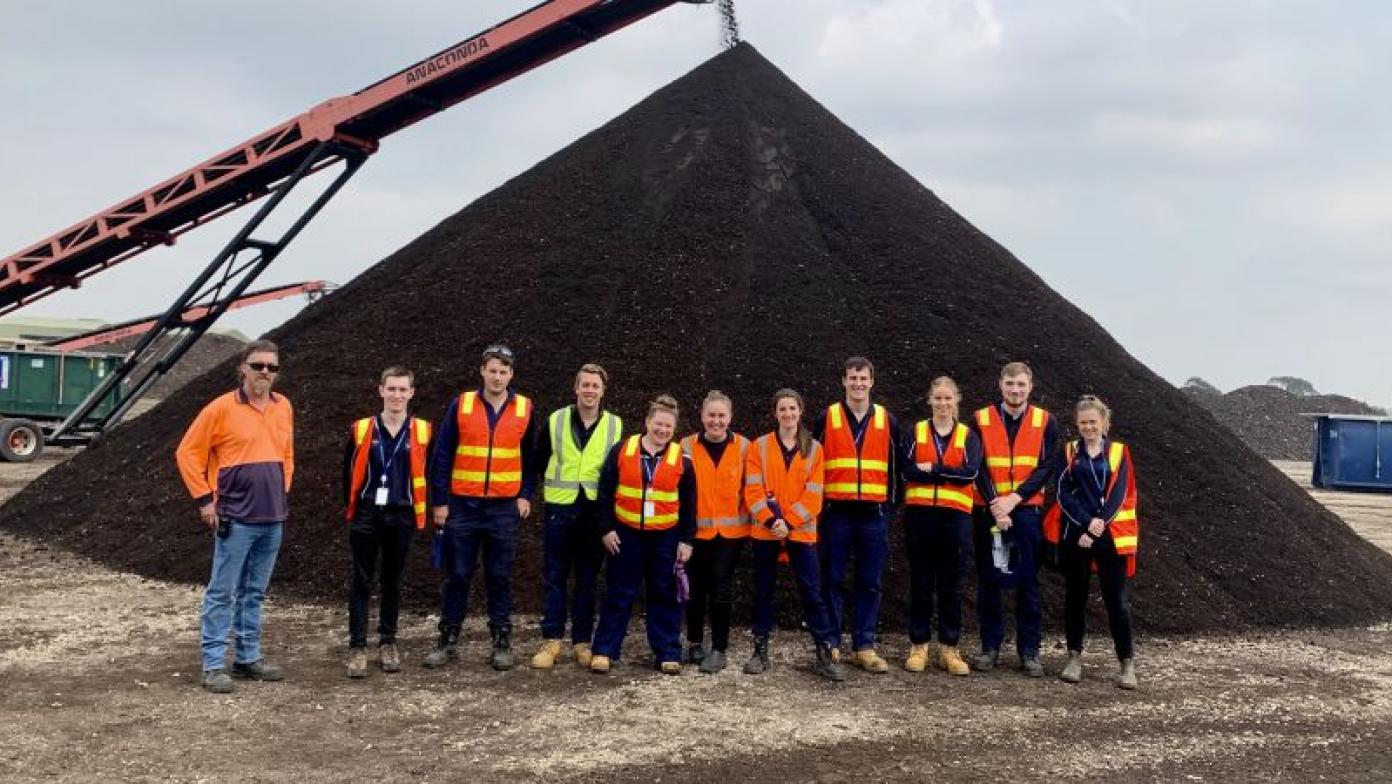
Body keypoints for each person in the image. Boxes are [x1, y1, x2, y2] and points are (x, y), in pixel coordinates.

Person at [175, 340, 293, 694]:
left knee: (254, 591)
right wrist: (204, 501)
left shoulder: (283, 406)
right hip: (236, 517)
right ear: (243, 368)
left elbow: (287, 454)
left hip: (273, 516)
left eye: (271, 367)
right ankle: (213, 664)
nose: (265, 373)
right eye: (258, 366)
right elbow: (187, 453)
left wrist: (283, 487)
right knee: (223, 592)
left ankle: (247, 658)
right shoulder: (220, 409)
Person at [423, 344, 537, 671]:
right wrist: (440, 502)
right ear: (482, 371)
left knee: (499, 575)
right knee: (457, 574)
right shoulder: (462, 405)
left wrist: (525, 494)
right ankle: (447, 640)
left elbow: (530, 458)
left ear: (511, 374)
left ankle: (501, 640)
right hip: (463, 507)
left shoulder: (525, 408)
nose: (497, 377)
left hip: (503, 510)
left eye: (503, 371)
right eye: (492, 370)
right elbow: (442, 454)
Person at [811, 356, 907, 673]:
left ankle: (864, 646)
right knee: (833, 579)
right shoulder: (827, 418)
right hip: (836, 512)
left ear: (872, 382)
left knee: (870, 581)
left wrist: (888, 506)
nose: (858, 384)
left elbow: (897, 469)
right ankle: (833, 644)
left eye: (863, 378)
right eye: (852, 378)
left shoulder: (887, 420)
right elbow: (812, 464)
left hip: (873, 514)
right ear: (844, 381)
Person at [589, 395, 697, 675]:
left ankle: (667, 652)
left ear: (674, 429)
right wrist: (606, 528)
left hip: (666, 536)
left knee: (665, 592)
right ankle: (604, 650)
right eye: (658, 423)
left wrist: (686, 540)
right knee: (619, 592)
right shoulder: (623, 450)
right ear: (647, 422)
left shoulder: (683, 460)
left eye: (668, 427)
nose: (662, 430)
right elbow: (604, 492)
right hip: (626, 534)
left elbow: (689, 505)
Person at [743, 389, 845, 681]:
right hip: (766, 532)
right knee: (763, 592)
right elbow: (752, 490)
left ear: (800, 412)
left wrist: (788, 522)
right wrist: (773, 520)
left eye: (792, 409)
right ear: (775, 413)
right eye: (782, 409)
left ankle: (824, 652)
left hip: (801, 533)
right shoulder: (759, 447)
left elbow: (815, 495)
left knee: (812, 593)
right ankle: (759, 651)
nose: (787, 414)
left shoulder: (814, 448)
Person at [529, 363, 624, 670]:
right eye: (585, 384)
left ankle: (582, 641)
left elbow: (614, 473)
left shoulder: (614, 425)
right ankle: (552, 640)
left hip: (594, 514)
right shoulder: (555, 420)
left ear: (603, 391)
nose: (590, 390)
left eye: (595, 386)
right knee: (555, 576)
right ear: (576, 387)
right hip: (560, 509)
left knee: (587, 579)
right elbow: (540, 460)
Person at [340, 367, 432, 678]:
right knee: (362, 579)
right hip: (368, 513)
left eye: (402, 390)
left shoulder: (422, 431)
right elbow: (347, 473)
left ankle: (388, 642)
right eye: (391, 389)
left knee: (392, 580)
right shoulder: (362, 429)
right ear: (381, 390)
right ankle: (357, 646)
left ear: (411, 393)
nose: (396, 395)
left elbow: (428, 471)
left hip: (402, 513)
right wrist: (354, 509)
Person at [971, 361, 1060, 678]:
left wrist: (1014, 499)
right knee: (989, 580)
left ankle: (1029, 651)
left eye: (1021, 385)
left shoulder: (1045, 422)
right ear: (1001, 385)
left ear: (1030, 386)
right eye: (1010, 384)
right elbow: (976, 465)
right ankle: (990, 647)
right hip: (988, 512)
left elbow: (1047, 467)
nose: (1015, 390)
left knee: (1027, 583)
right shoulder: (980, 419)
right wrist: (996, 503)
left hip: (1026, 513)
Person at [1047, 395, 1140, 689]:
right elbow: (1063, 492)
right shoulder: (1069, 452)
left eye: (1093, 422)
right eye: (1083, 422)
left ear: (1104, 423)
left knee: (1118, 602)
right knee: (1075, 597)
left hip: (1110, 537)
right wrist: (1087, 523)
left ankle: (1126, 663)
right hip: (1077, 534)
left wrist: (1098, 525)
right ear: (1077, 423)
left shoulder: (1120, 452)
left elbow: (1120, 493)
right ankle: (1074, 657)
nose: (1088, 427)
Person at [899, 376, 982, 677]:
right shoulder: (915, 432)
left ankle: (950, 647)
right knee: (921, 583)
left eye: (948, 398)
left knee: (953, 585)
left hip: (956, 519)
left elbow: (970, 473)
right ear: (930, 400)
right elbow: (907, 471)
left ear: (956, 400)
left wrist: (932, 469)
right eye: (938, 398)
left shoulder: (968, 437)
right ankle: (919, 645)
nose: (943, 404)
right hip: (920, 518)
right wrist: (948, 473)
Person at [680, 390, 750, 674]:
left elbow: (751, 487)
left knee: (720, 587)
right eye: (712, 415)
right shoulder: (685, 446)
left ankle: (719, 648)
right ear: (702, 416)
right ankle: (695, 643)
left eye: (722, 416)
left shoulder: (745, 447)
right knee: (694, 589)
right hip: (696, 532)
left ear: (730, 417)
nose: (716, 421)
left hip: (731, 535)